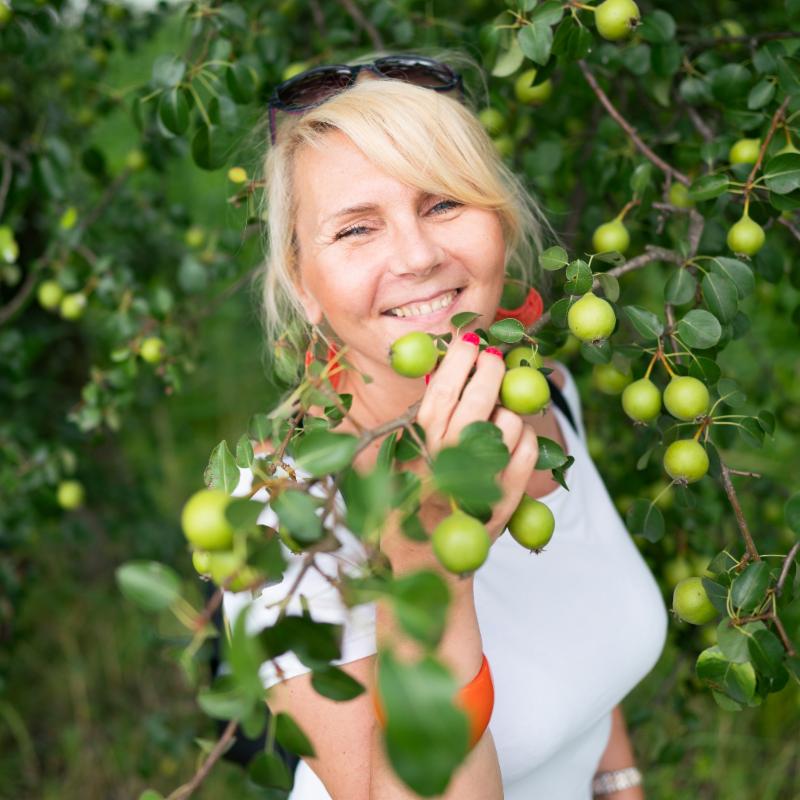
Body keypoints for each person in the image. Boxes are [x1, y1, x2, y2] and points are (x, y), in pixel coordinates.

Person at [222, 50, 668, 799]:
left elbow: (581, 638)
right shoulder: (281, 520)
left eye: (443, 204)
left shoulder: (545, 397)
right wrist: (431, 571)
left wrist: (618, 779)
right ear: (303, 282)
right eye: (357, 229)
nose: (420, 256)